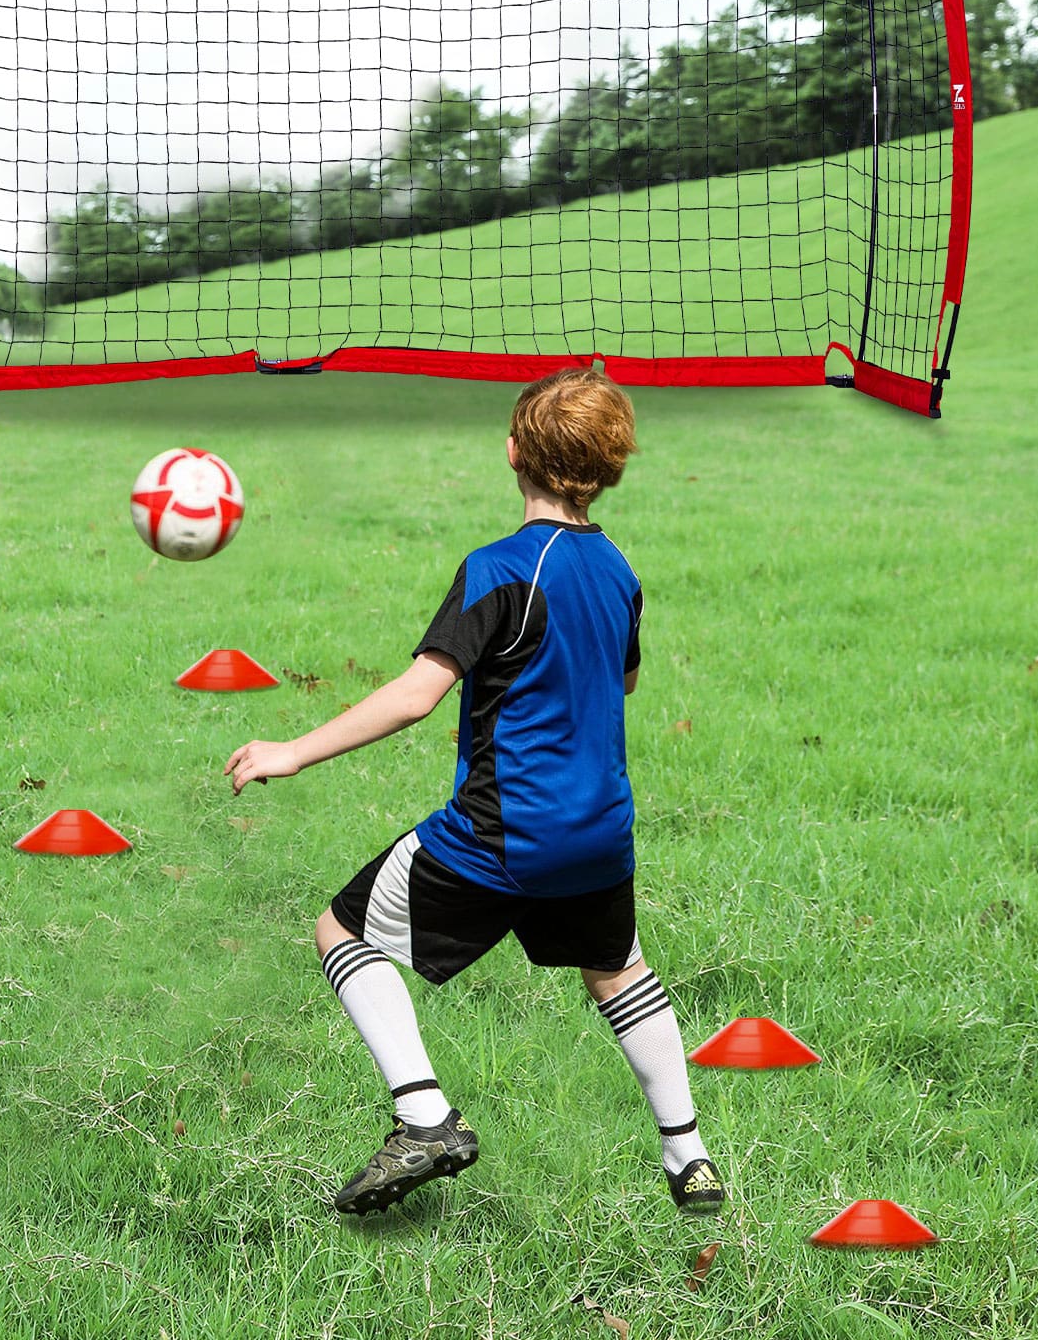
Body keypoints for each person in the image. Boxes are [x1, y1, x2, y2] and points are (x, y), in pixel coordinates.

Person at [224, 367, 724, 1217]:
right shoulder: (618, 569)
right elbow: (627, 680)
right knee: (617, 973)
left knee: (341, 930)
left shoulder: (497, 569)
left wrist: (294, 750)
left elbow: (420, 694)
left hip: (501, 832)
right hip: (600, 833)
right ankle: (691, 1159)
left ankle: (423, 1117)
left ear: (513, 453)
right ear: (609, 469)